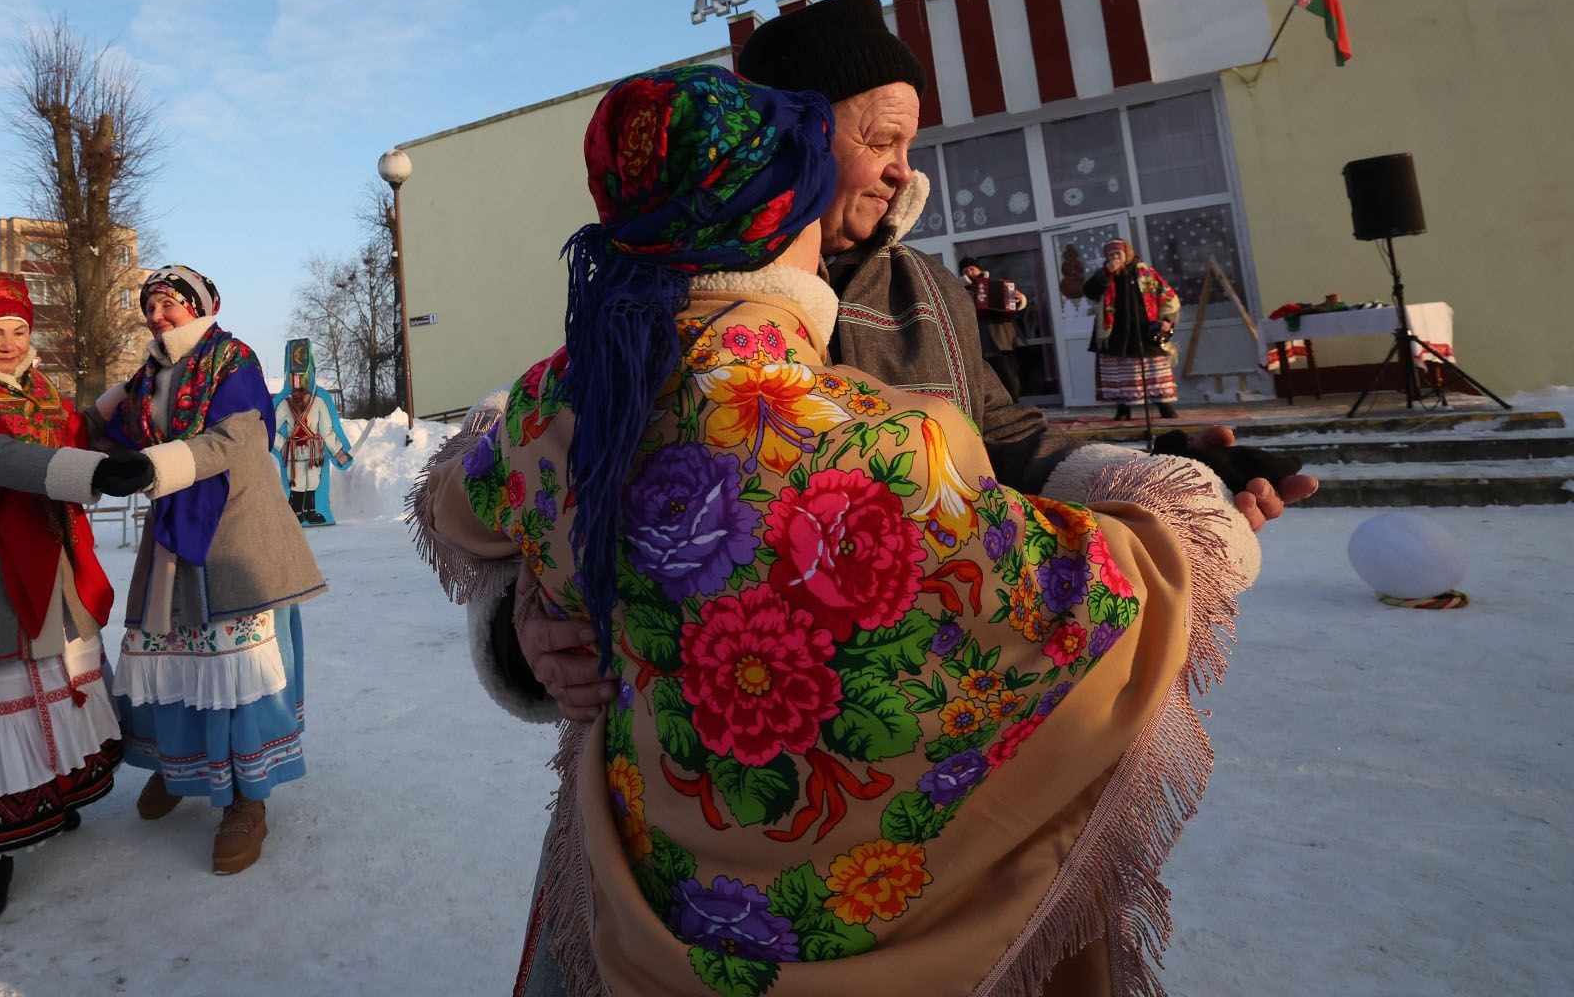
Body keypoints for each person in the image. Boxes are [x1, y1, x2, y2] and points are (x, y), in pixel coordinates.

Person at [412, 66, 1263, 994]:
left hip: (630, 920)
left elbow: (458, 501)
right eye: (873, 148)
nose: (897, 174)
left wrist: (544, 570)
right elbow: (1126, 593)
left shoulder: (553, 403)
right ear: (784, 218)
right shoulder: (889, 444)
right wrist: (1184, 498)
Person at [505, 0, 1317, 726]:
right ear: (799, 144)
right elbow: (551, 483)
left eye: (909, 143)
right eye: (882, 140)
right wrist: (526, 618)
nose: (904, 170)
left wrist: (1157, 475)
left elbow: (1004, 436)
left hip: (912, 719)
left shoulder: (927, 286)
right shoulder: (673, 311)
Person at [0, 271, 153, 923]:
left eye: (18, 330)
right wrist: (95, 471)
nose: (10, 343)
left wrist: (138, 391)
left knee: (58, 678)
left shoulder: (42, 393)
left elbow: (78, 427)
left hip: (52, 558)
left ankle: (56, 795)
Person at [93, 264, 326, 874]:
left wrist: (149, 468)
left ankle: (247, 798)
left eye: (169, 305)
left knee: (237, 665)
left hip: (234, 530)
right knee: (165, 651)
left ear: (200, 306)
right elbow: (104, 428)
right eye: (151, 306)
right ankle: (181, 764)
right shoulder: (147, 376)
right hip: (173, 529)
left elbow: (235, 441)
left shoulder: (234, 362)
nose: (158, 316)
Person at [1084, 238, 1181, 421]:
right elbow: (1089, 291)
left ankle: (1163, 404)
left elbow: (1167, 295)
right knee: (1119, 370)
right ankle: (1122, 408)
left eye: (1118, 253)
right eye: (1110, 254)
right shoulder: (1104, 274)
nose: (1114, 257)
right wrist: (1106, 273)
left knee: (1153, 368)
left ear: (1127, 253)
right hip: (1115, 333)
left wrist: (1167, 319)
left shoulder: (1145, 272)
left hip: (1145, 330)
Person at [272, 337, 353, 526]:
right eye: (294, 376)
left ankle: (310, 511)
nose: (298, 381)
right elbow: (271, 428)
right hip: (294, 450)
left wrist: (338, 452)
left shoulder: (319, 402)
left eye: (301, 376)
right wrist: (282, 445)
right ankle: (295, 512)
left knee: (313, 480)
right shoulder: (285, 404)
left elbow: (327, 430)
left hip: (314, 451)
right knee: (297, 481)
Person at [959, 257, 1029, 401]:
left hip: (1004, 341)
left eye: (972, 268)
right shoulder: (961, 290)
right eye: (965, 270)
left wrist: (1019, 299)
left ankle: (1014, 405)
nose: (970, 272)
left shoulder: (998, 284)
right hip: (980, 343)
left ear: (980, 269)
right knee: (987, 383)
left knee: (1010, 379)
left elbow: (1017, 311)